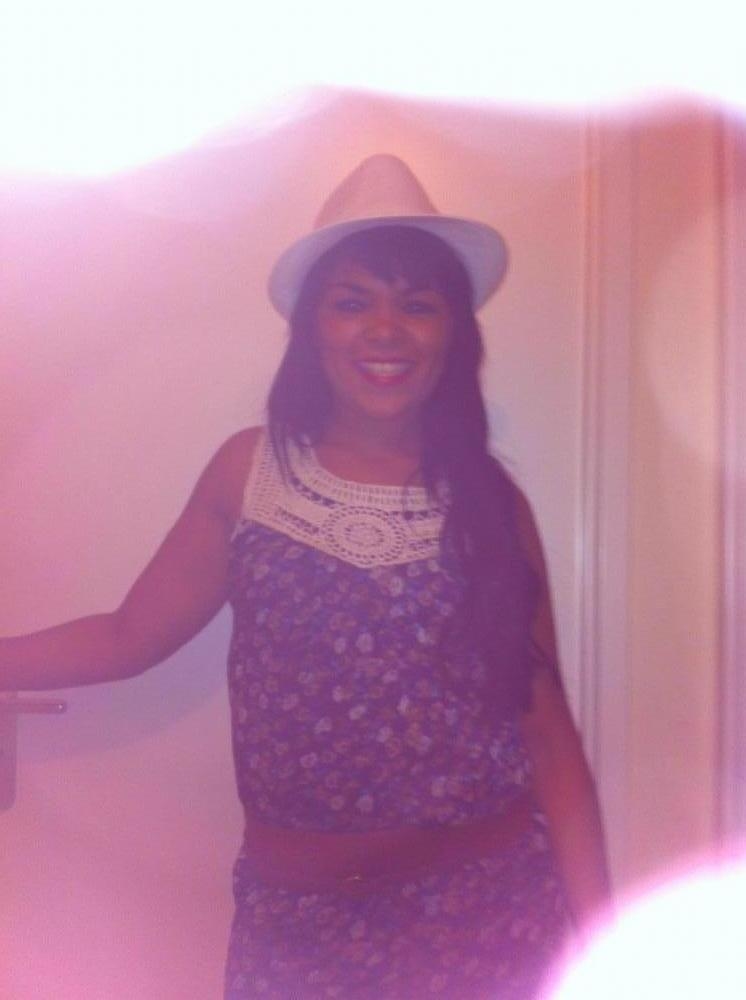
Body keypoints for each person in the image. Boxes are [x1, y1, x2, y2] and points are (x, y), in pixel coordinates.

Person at [1, 154, 611, 999]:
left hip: (492, 913)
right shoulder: (247, 474)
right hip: (298, 927)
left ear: (453, 334)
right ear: (312, 327)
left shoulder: (491, 503)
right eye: (353, 301)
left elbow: (548, 736)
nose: (386, 329)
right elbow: (127, 638)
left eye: (418, 304)